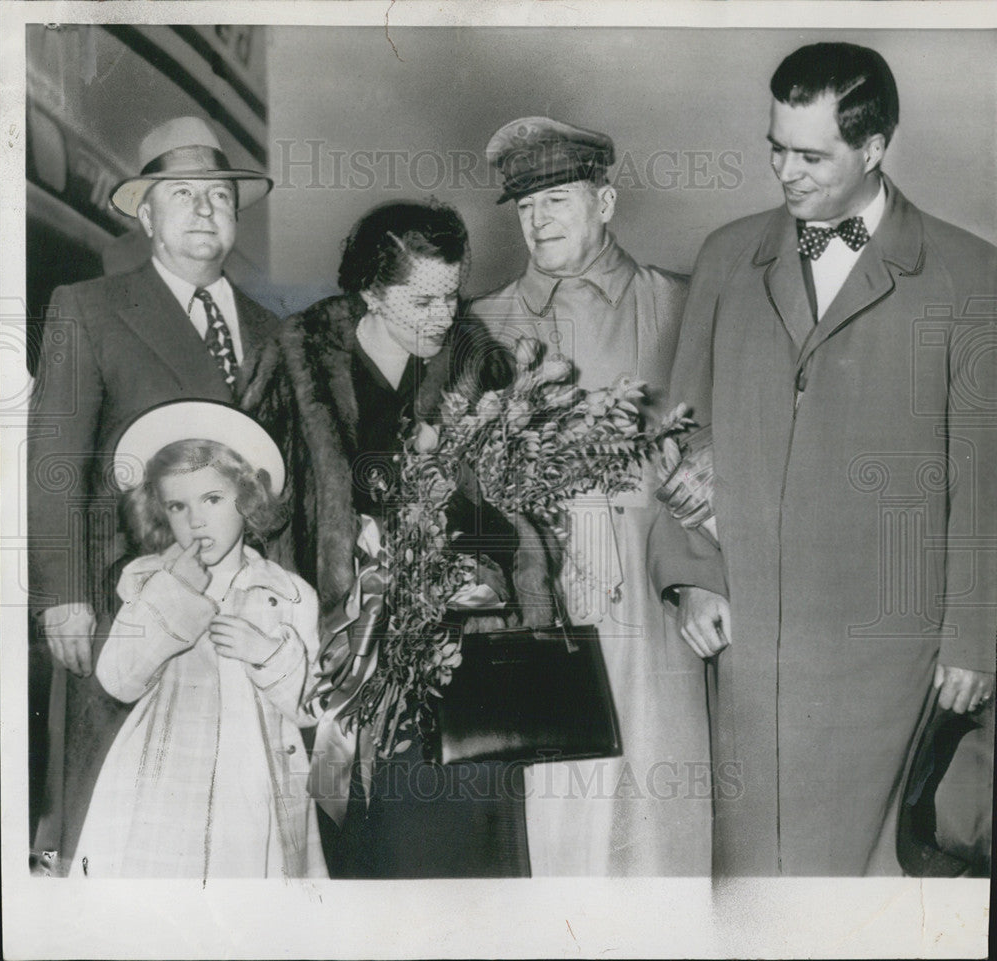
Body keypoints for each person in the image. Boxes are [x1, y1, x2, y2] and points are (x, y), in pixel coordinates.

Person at [650, 42, 996, 876]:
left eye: (811, 155)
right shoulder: (730, 256)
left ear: (874, 148)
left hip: (893, 651)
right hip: (753, 646)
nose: (786, 173)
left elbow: (986, 478)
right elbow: (678, 436)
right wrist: (693, 573)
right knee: (753, 889)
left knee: (875, 890)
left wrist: (976, 635)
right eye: (776, 147)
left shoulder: (970, 275)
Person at [241, 200, 553, 877]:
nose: (445, 315)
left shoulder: (478, 366)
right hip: (337, 668)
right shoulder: (293, 363)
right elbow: (251, 509)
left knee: (464, 866)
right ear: (371, 293)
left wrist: (477, 550)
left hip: (456, 668)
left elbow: (513, 517)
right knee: (365, 860)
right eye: (424, 299)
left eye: (452, 294)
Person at [28, 115, 279, 871]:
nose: (205, 209)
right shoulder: (89, 307)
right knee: (114, 811)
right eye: (182, 194)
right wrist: (63, 593)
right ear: (145, 214)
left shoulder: (275, 329)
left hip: (239, 612)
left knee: (231, 818)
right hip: (122, 602)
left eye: (220, 195)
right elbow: (54, 459)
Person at [469, 117, 711, 876]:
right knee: (556, 802)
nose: (538, 221)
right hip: (544, 586)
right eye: (526, 205)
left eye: (558, 200)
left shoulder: (680, 303)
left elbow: (730, 433)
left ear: (605, 203)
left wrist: (711, 482)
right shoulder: (481, 324)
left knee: (660, 792)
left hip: (652, 580)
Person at [69, 402, 325, 878]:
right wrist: (174, 594)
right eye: (177, 506)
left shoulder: (287, 593)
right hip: (163, 778)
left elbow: (313, 708)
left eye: (212, 499)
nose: (196, 520)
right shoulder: (149, 580)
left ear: (248, 499)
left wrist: (267, 655)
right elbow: (118, 680)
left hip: (256, 782)